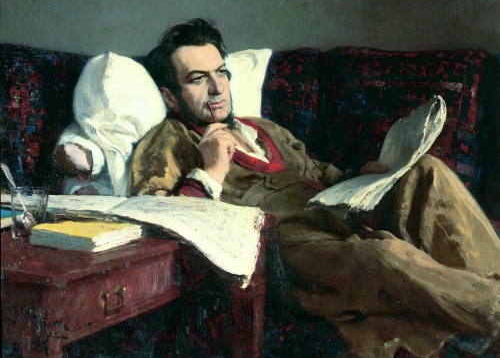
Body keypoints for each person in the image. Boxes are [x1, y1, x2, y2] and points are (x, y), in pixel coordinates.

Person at [129, 18, 500, 357]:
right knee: (381, 255)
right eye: (198, 79)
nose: (216, 88)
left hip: (331, 212)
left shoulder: (260, 128)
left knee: (427, 171)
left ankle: (487, 298)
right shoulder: (169, 140)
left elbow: (317, 171)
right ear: (170, 97)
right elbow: (153, 217)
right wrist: (211, 172)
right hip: (284, 248)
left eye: (221, 73)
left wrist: (359, 175)